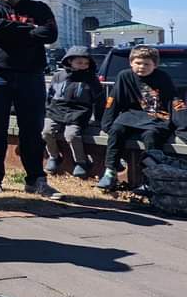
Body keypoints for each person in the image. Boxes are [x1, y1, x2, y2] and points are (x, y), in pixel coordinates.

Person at [0, 0, 61, 198]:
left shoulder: (40, 8)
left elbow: (51, 34)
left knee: (32, 130)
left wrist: (14, 31)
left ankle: (36, 179)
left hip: (30, 75)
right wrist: (32, 31)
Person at [98, 45, 182, 190]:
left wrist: (182, 124)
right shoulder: (124, 76)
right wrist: (107, 122)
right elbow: (114, 99)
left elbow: (174, 101)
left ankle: (150, 180)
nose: (141, 67)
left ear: (154, 65)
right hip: (131, 115)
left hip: (157, 115)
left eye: (146, 64)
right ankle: (110, 171)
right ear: (131, 62)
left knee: (151, 137)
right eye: (138, 63)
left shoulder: (163, 77)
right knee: (116, 130)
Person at [43, 46, 104, 178]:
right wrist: (47, 109)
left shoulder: (91, 79)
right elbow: (51, 95)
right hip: (57, 110)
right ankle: (54, 156)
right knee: (47, 131)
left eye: (86, 63)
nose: (83, 66)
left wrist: (99, 118)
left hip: (79, 112)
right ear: (70, 61)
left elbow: (99, 100)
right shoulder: (59, 76)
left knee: (71, 135)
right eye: (79, 62)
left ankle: (81, 162)